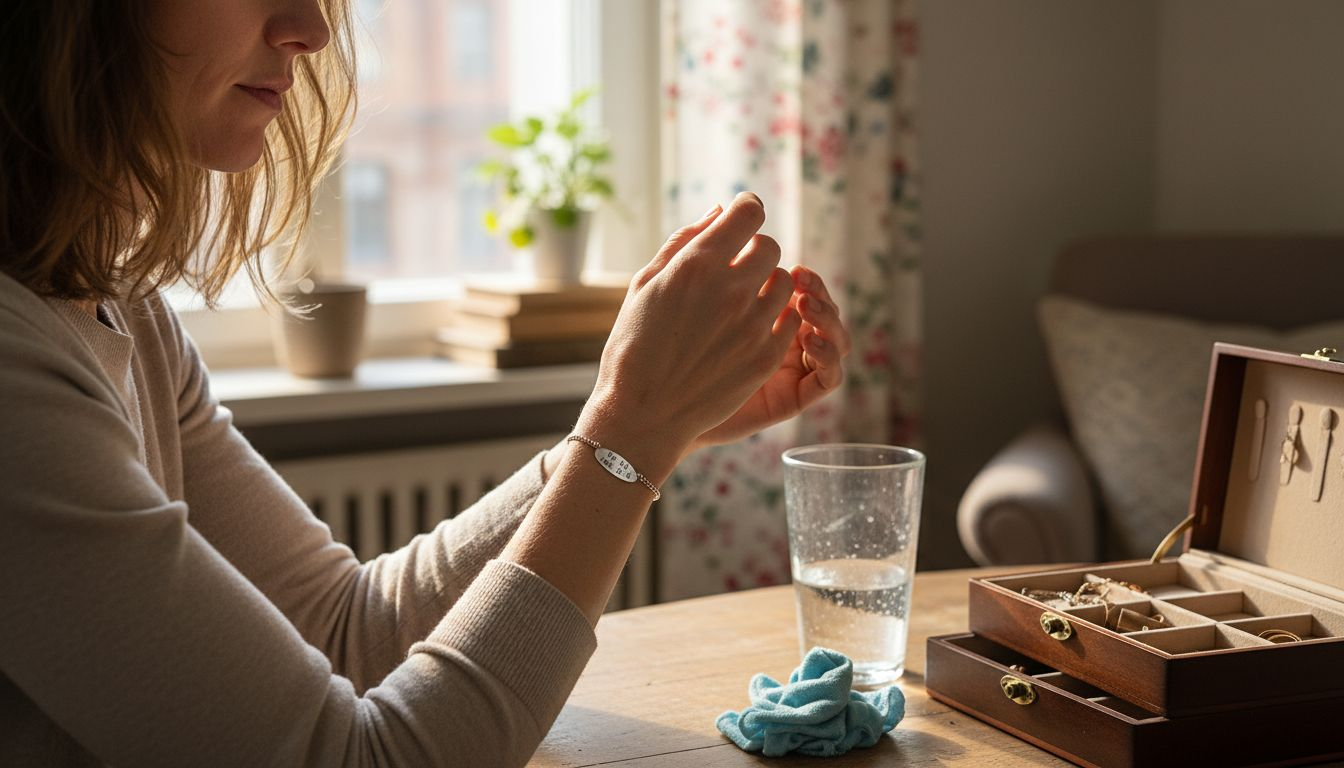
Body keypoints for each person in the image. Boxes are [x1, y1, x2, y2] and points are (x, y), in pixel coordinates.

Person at [0, 0, 852, 765]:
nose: (312, 29)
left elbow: (346, 629)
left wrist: (654, 425)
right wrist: (629, 435)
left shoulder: (123, 306)